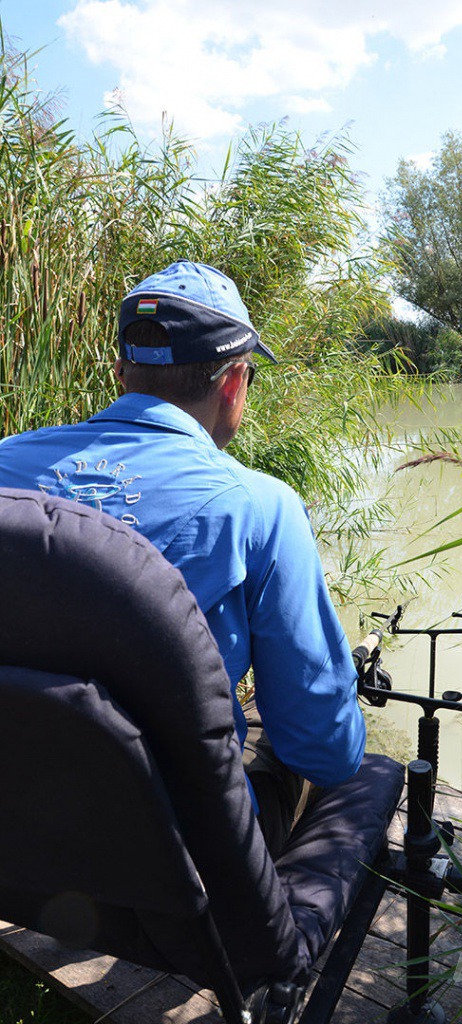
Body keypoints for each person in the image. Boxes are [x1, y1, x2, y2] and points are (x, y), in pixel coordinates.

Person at [0, 259, 366, 857]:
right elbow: (324, 749)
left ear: (120, 370)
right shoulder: (262, 507)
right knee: (313, 754)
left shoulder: (5, 463)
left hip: (20, 827)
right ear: (233, 383)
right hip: (175, 859)